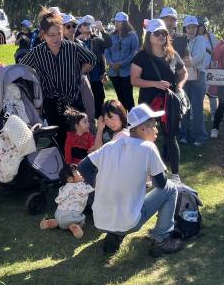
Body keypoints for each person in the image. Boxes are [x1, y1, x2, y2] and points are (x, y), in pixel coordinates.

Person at [78, 104, 184, 258]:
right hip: (128, 221)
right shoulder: (148, 148)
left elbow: (83, 166)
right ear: (142, 129)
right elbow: (161, 184)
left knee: (126, 202)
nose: (156, 130)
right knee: (171, 188)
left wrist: (98, 185)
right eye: (153, 126)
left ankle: (115, 233)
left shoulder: (111, 146)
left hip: (100, 220)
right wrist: (157, 169)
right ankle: (162, 238)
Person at [18, 11, 97, 149]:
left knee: (81, 135)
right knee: (60, 138)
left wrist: (80, 72)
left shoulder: (72, 47)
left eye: (59, 34)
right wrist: (34, 83)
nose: (56, 39)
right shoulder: (38, 52)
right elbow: (21, 69)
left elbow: (91, 59)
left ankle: (83, 165)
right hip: (52, 102)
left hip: (73, 99)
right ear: (43, 35)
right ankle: (64, 166)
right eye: (51, 35)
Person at [130, 19, 187, 182]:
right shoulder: (141, 56)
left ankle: (175, 175)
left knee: (170, 136)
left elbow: (183, 73)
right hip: (148, 101)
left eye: (164, 33)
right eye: (157, 33)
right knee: (144, 136)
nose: (161, 36)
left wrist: (180, 87)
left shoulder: (172, 54)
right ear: (149, 36)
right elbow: (134, 80)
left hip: (169, 102)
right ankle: (147, 174)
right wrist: (155, 84)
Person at [39, 164, 94, 239]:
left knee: (60, 221)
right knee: (81, 221)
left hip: (58, 214)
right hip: (71, 216)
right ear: (70, 179)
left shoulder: (64, 188)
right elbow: (93, 186)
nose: (81, 175)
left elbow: (57, 200)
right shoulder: (81, 187)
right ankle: (73, 227)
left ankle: (53, 222)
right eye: (79, 174)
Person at [179, 16, 208, 146]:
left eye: (194, 27)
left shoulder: (201, 39)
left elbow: (198, 58)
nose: (191, 30)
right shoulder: (181, 39)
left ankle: (200, 136)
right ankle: (184, 135)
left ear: (198, 28)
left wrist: (182, 63)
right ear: (185, 28)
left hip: (197, 76)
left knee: (197, 108)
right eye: (189, 27)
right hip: (184, 76)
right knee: (184, 107)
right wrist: (184, 63)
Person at [76, 15, 112, 117]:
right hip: (82, 79)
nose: (88, 26)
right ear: (79, 28)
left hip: (96, 78)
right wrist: (77, 40)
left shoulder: (96, 39)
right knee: (85, 104)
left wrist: (102, 30)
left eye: (89, 24)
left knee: (99, 101)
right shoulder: (75, 42)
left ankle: (101, 125)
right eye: (85, 24)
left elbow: (109, 43)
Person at [104, 11, 139, 110]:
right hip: (113, 72)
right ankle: (122, 119)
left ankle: (131, 121)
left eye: (119, 22)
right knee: (120, 97)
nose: (116, 23)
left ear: (125, 23)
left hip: (126, 72)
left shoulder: (133, 36)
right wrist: (110, 62)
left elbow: (134, 53)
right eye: (116, 21)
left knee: (128, 97)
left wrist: (121, 63)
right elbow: (107, 50)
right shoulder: (112, 36)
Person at [198, 18, 219, 118]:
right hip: (198, 70)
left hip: (211, 68)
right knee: (200, 93)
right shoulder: (193, 37)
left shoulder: (210, 36)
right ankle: (200, 114)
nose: (200, 28)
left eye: (202, 25)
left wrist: (214, 64)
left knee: (212, 93)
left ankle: (214, 114)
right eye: (198, 26)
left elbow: (216, 51)